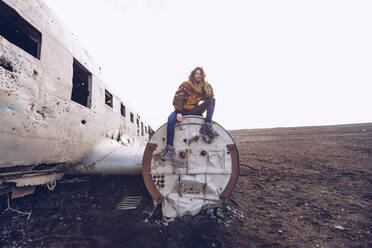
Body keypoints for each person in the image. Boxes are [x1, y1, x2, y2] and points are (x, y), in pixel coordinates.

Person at [161, 67, 218, 161]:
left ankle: (207, 126)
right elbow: (177, 98)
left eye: (200, 74)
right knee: (171, 119)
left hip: (194, 110)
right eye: (196, 73)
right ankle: (170, 149)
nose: (198, 75)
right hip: (182, 110)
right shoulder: (186, 85)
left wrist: (206, 87)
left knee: (212, 101)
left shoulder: (202, 87)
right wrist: (178, 112)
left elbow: (210, 96)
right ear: (193, 75)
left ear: (202, 75)